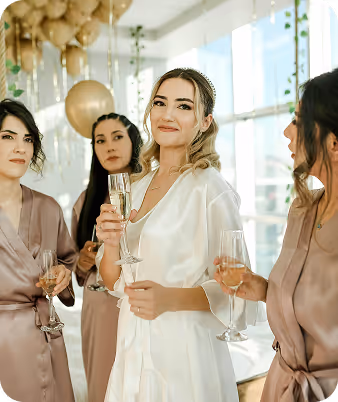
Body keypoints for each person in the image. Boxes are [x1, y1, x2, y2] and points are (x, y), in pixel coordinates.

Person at [96, 68, 264, 402]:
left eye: (184, 106)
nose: (168, 114)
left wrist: (169, 298)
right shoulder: (134, 186)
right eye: (160, 103)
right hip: (132, 342)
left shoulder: (210, 189)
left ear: (205, 122)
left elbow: (237, 288)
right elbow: (113, 279)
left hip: (184, 350)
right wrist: (112, 242)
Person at [215, 69, 338, 401]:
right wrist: (263, 289)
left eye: (298, 121)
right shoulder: (302, 210)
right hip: (281, 386)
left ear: (334, 143)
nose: (286, 132)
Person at [0, 99, 75, 401]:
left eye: (27, 139)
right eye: (7, 137)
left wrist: (64, 274)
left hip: (44, 336)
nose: (20, 148)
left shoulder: (48, 207)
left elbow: (67, 262)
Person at [71, 113, 143, 402]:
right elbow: (74, 264)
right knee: (103, 380)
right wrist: (83, 262)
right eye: (100, 140)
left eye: (117, 137)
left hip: (139, 298)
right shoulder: (86, 200)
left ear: (134, 141)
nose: (109, 146)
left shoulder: (150, 192)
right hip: (99, 304)